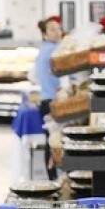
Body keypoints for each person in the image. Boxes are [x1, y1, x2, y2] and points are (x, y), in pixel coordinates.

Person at [35, 16, 64, 179]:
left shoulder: (44, 49)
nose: (57, 32)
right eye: (52, 29)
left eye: (58, 28)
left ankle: (52, 176)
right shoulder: (54, 51)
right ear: (45, 34)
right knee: (54, 140)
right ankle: (54, 177)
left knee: (51, 139)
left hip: (46, 101)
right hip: (54, 101)